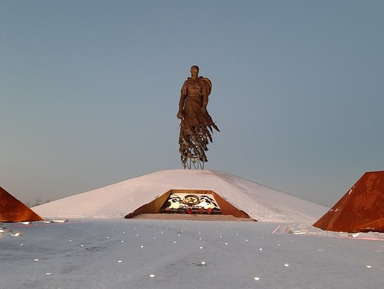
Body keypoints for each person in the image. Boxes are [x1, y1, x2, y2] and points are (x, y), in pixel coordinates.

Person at [177, 65, 219, 168]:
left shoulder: (202, 83)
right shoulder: (186, 83)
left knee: (200, 127)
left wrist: (204, 106)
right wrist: (180, 110)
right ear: (190, 71)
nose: (195, 72)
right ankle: (187, 150)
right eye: (193, 71)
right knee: (186, 128)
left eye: (197, 71)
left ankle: (201, 148)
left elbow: (205, 96)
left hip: (198, 107)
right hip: (188, 107)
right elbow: (182, 97)